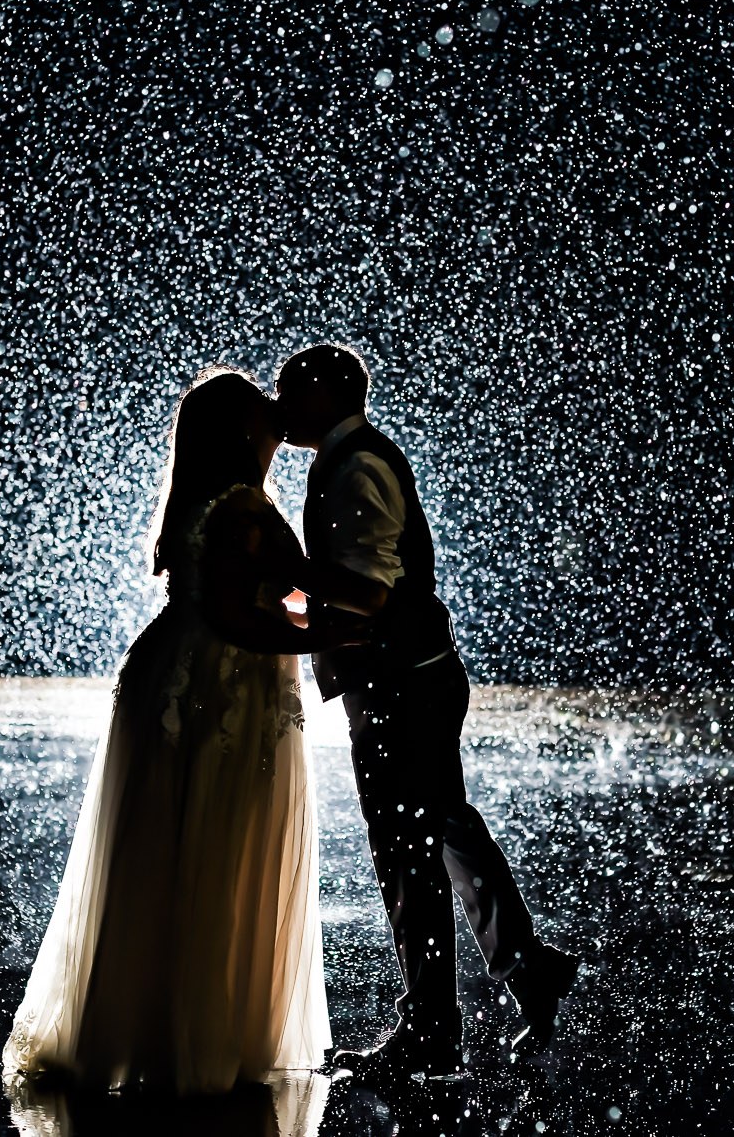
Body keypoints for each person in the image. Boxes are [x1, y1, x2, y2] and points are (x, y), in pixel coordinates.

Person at [2, 370, 358, 1095]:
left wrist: (310, 617)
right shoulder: (238, 509)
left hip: (195, 678)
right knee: (210, 849)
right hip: (215, 688)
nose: (278, 429)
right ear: (242, 434)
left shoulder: (219, 502)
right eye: (265, 418)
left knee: (176, 851)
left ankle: (168, 1023)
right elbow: (236, 612)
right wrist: (334, 632)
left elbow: (269, 591)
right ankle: (196, 1037)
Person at [276, 344, 581, 1082]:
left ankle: (434, 1028)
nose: (280, 401)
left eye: (292, 388)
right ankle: (526, 969)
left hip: (400, 687)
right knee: (443, 826)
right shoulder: (352, 459)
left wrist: (281, 573)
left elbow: (374, 592)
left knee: (407, 854)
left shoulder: (358, 465)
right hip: (413, 678)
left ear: (328, 393)